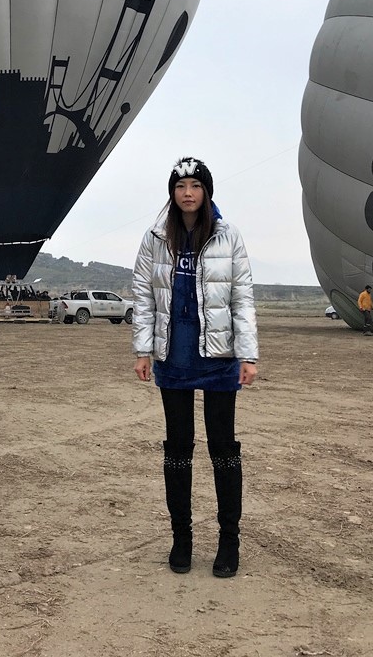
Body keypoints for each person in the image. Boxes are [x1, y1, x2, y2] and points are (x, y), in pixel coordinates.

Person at [132, 157, 258, 579]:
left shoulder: (228, 236)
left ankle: (229, 539)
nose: (187, 192)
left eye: (195, 185)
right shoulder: (155, 237)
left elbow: (242, 298)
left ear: (207, 191)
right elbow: (144, 296)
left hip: (219, 357)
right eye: (180, 185)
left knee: (223, 448)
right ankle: (181, 537)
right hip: (175, 355)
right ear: (172, 192)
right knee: (178, 447)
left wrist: (249, 355)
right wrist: (142, 350)